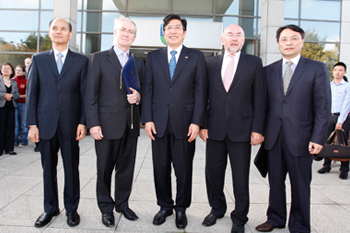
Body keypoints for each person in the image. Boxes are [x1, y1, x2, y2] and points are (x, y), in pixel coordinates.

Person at [255, 25, 330, 233]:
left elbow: (323, 108)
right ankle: (275, 218)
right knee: (275, 183)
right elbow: (263, 106)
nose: (289, 42)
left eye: (293, 39)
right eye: (284, 39)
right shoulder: (268, 71)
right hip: (274, 138)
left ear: (302, 42)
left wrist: (318, 138)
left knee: (300, 186)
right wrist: (259, 131)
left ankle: (299, 224)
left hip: (302, 139)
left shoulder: (316, 68)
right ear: (278, 43)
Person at [142, 14, 207, 230]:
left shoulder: (196, 57)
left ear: (184, 32)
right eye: (168, 27)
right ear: (163, 32)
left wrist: (197, 122)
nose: (173, 31)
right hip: (158, 123)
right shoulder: (152, 57)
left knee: (183, 169)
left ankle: (181, 209)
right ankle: (164, 206)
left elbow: (201, 92)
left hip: (185, 123)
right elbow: (148, 89)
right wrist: (147, 119)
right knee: (160, 168)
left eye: (177, 27)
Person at [199, 24, 266, 233]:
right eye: (230, 35)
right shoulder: (209, 64)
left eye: (238, 35)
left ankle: (239, 217)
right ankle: (217, 209)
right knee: (213, 174)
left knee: (240, 177)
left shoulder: (254, 63)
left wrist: (258, 129)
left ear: (243, 40)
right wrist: (202, 124)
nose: (234, 38)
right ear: (222, 39)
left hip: (243, 130)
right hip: (214, 129)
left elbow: (260, 99)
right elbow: (202, 96)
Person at [26, 18, 88, 228]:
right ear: (49, 33)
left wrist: (83, 122)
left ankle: (72, 209)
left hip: (71, 124)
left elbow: (84, 95)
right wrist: (32, 124)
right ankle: (50, 208)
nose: (59, 31)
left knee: (72, 169)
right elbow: (32, 95)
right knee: (47, 169)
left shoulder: (81, 61)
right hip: (45, 125)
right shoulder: (38, 60)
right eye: (55, 28)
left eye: (63, 29)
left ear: (70, 35)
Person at [85, 17, 144, 228]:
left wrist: (138, 97)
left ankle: (122, 204)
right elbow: (90, 93)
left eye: (130, 32)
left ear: (135, 37)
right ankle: (106, 208)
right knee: (104, 170)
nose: (126, 34)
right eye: (123, 30)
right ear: (115, 32)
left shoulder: (137, 62)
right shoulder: (99, 58)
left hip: (130, 125)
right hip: (106, 125)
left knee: (126, 169)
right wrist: (93, 123)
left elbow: (143, 90)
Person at [318, 62, 350, 179]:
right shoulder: (328, 86)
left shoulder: (347, 87)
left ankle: (344, 169)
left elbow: (347, 105)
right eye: (336, 70)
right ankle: (326, 165)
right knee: (327, 142)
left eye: (340, 70)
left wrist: (340, 121)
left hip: (343, 118)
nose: (337, 72)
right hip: (328, 117)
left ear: (344, 72)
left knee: (343, 143)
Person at [0, 62, 20, 156]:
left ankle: (9, 148)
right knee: (1, 128)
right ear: (1, 70)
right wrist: (4, 96)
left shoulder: (14, 83)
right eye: (4, 68)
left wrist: (11, 95)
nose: (6, 70)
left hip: (11, 107)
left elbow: (17, 95)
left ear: (11, 71)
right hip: (1, 107)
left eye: (8, 68)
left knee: (10, 128)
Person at [13, 65, 28, 147]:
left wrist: (17, 96)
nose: (17, 72)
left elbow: (27, 94)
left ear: (23, 72)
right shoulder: (13, 81)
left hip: (23, 104)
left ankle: (24, 140)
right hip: (14, 104)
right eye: (16, 70)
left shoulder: (26, 81)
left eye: (19, 70)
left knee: (23, 123)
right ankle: (15, 140)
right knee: (16, 124)